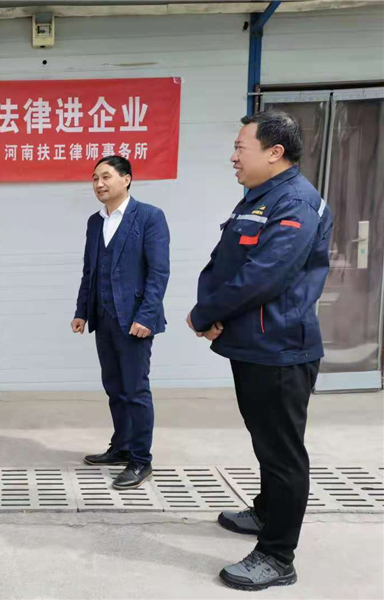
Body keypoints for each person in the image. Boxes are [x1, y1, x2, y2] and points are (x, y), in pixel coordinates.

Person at [187, 110, 333, 591]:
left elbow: (263, 275)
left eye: (240, 147)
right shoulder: (261, 197)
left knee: (282, 453)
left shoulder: (296, 202)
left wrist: (206, 313)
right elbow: (230, 261)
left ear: (275, 152)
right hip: (254, 344)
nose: (233, 156)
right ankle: (267, 511)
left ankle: (277, 556)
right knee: (266, 443)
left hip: (280, 349)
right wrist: (216, 314)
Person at [72, 155, 170, 489]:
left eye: (106, 177)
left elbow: (158, 272)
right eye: (94, 178)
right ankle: (122, 446)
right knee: (114, 387)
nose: (99, 184)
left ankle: (141, 460)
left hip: (134, 321)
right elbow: (90, 270)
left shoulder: (149, 217)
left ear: (126, 179)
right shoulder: (95, 222)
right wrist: (82, 311)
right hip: (104, 318)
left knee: (135, 390)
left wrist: (146, 316)